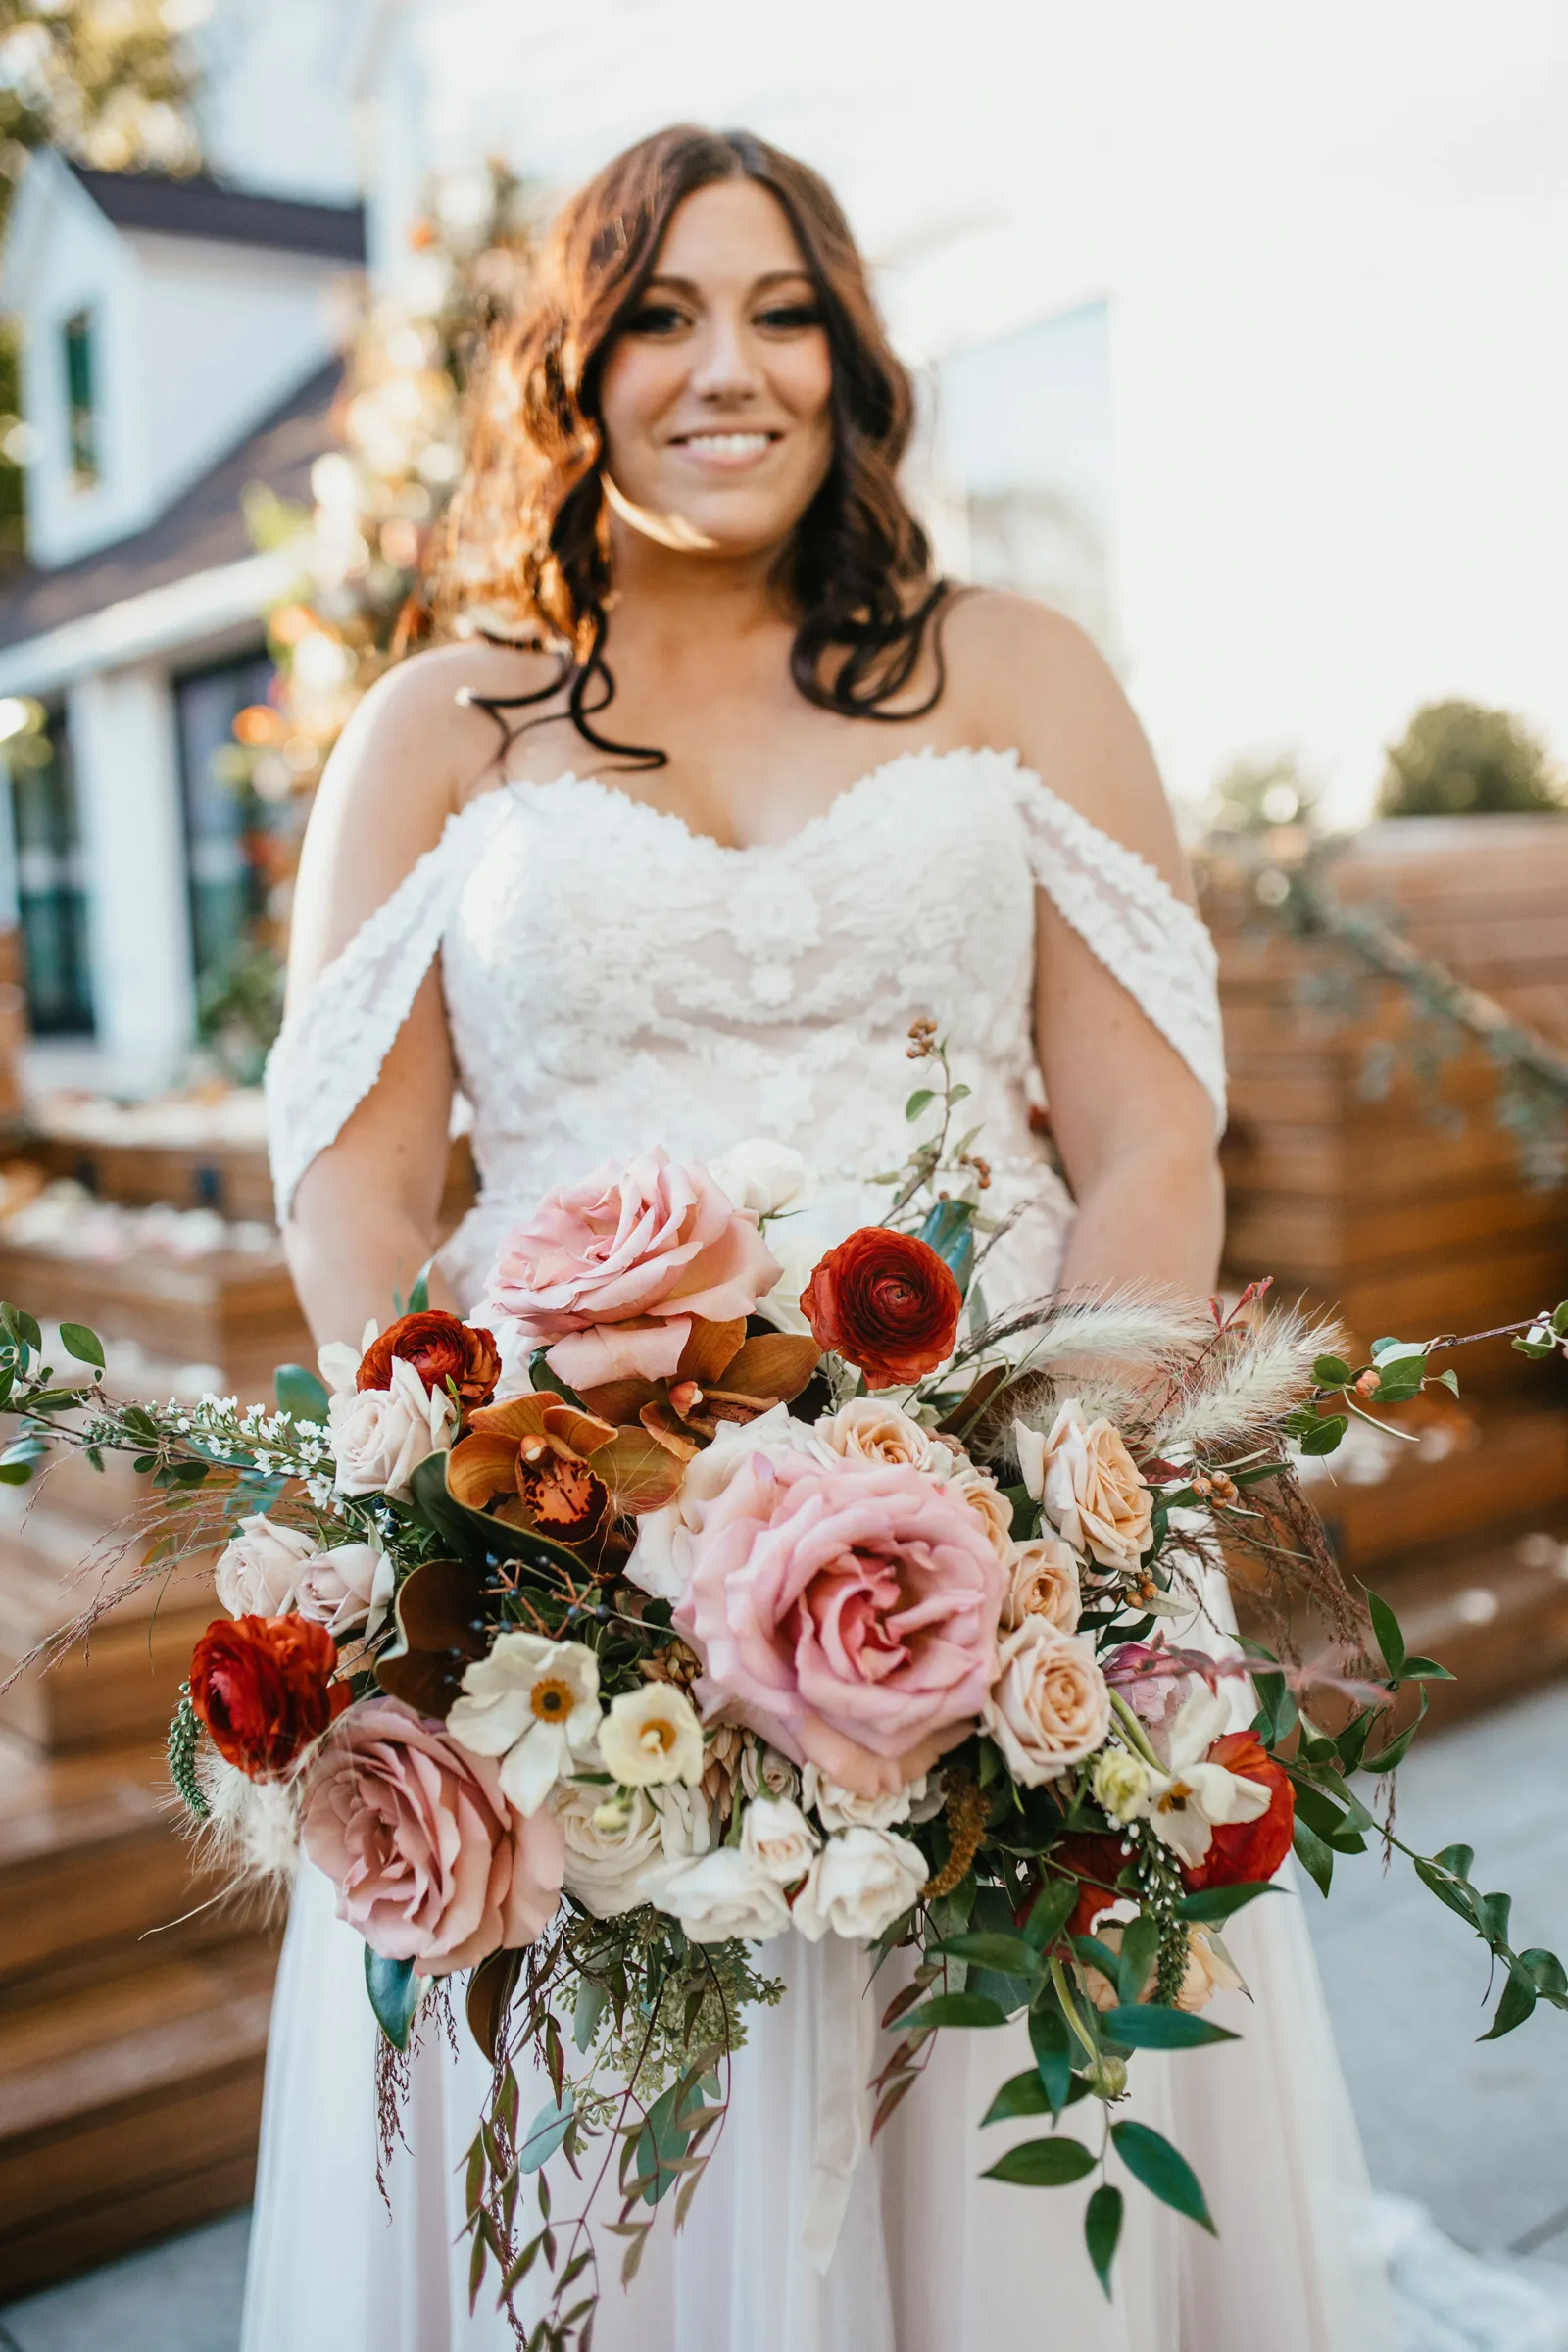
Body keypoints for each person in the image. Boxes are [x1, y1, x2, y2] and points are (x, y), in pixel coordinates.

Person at [247, 123, 1392, 2352]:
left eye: (781, 311)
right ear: (567, 374)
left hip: (1011, 1541)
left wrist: (1050, 1491)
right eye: (660, 313)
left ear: (853, 366)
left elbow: (1150, 1131)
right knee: (611, 2180)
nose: (726, 366)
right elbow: (362, 1193)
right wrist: (516, 1524)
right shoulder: (441, 727)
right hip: (568, 1583)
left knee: (996, 2143)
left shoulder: (1018, 669)